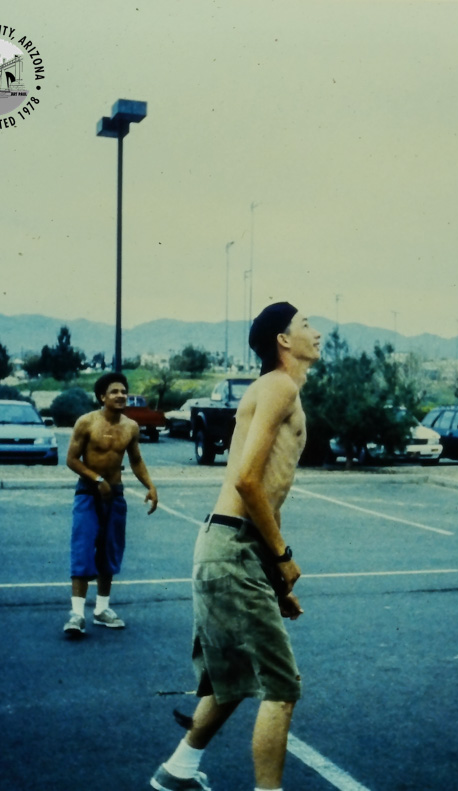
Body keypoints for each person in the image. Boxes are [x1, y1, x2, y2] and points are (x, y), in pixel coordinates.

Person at [150, 302, 321, 791]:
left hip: (233, 548)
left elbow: (267, 492)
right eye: (306, 324)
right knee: (282, 687)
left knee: (231, 677)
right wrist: (284, 558)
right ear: (283, 341)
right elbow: (247, 481)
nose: (317, 332)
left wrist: (275, 577)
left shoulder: (282, 391)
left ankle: (176, 771)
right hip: (232, 546)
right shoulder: (279, 387)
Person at [62, 372, 158, 637]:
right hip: (88, 493)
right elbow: (71, 459)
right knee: (83, 548)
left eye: (124, 391)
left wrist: (150, 486)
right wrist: (97, 479)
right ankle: (77, 614)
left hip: (115, 495)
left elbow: (136, 460)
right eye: (114, 391)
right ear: (102, 397)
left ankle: (102, 609)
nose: (120, 395)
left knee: (109, 550)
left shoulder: (130, 427)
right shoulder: (87, 422)